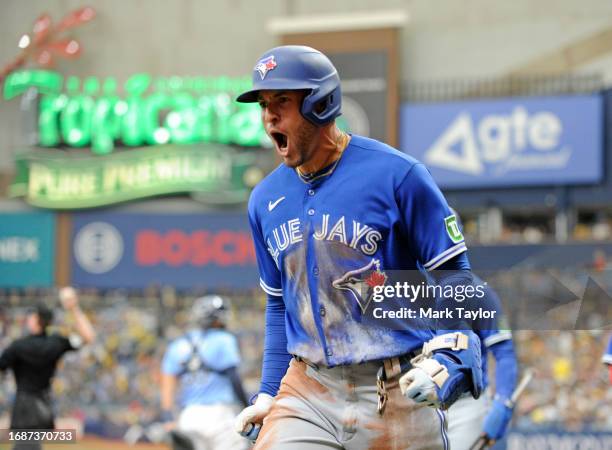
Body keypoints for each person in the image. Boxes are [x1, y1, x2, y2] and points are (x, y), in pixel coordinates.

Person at [233, 45, 484, 449]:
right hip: (308, 388)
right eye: (263, 104)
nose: (268, 116)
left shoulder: (397, 175)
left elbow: (453, 272)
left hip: (400, 385)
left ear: (319, 102)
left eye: (282, 101)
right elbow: (280, 304)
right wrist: (268, 391)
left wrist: (451, 351)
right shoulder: (265, 200)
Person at [0, 287, 96, 450]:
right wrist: (74, 308)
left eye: (31, 316)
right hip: (43, 406)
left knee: (24, 446)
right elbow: (88, 336)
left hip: (24, 408)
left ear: (36, 319)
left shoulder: (19, 346)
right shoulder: (56, 343)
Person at [160, 295, 249, 450]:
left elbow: (167, 385)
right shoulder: (224, 339)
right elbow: (234, 378)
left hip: (188, 416)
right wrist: (246, 407)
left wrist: (168, 417)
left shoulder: (178, 344)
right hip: (220, 415)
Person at [447, 281, 518, 450]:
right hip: (418, 403)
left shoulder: (478, 292)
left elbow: (504, 352)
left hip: (466, 406)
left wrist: (502, 400)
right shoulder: (407, 290)